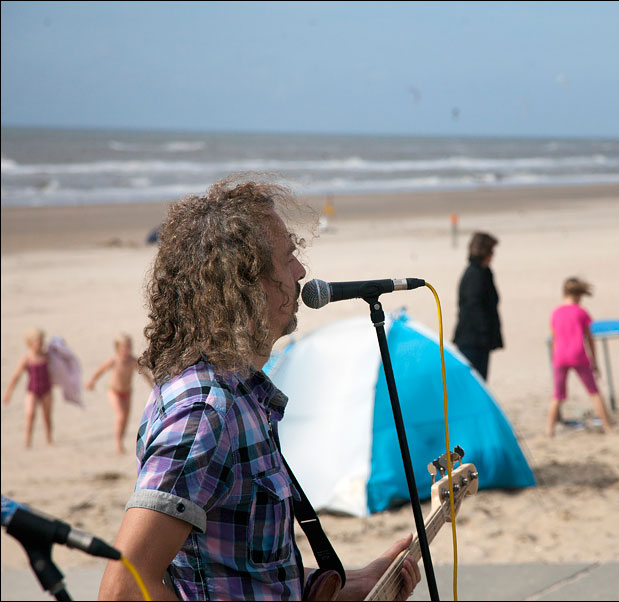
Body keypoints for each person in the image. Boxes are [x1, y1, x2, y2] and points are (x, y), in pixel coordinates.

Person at [98, 176, 420, 601]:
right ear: (246, 284)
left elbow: (240, 574)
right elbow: (124, 588)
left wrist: (348, 586)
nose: (302, 271)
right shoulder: (204, 412)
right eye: (288, 258)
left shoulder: (245, 395)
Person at [547, 278, 614, 437]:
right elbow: (589, 339)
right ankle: (607, 427)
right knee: (594, 392)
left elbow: (553, 338)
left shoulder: (555, 312)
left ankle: (549, 430)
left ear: (564, 294)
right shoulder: (581, 312)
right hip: (578, 354)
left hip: (560, 356)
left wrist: (555, 358)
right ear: (580, 295)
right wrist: (595, 362)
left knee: (557, 396)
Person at [86, 333, 153, 454]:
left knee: (125, 419)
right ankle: (118, 444)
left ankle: (121, 440)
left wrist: (153, 387)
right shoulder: (114, 360)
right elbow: (100, 371)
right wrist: (92, 381)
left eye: (129, 346)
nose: (127, 349)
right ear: (117, 347)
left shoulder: (133, 361)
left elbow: (145, 375)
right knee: (120, 416)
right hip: (114, 391)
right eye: (124, 347)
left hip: (127, 392)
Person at [452, 231, 503, 381]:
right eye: (491, 252)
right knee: (473, 383)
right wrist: (485, 331)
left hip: (481, 341)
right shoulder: (474, 274)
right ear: (484, 252)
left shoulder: (484, 272)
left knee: (480, 382)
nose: (493, 256)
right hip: (472, 341)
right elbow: (472, 307)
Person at [2, 328, 54, 448]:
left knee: (46, 416)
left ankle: (49, 439)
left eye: (41, 341)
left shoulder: (47, 356)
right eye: (37, 342)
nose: (40, 344)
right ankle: (28, 442)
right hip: (32, 390)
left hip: (47, 390)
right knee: (30, 415)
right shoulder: (27, 358)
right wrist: (8, 393)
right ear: (30, 343)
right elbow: (16, 377)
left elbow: (58, 369)